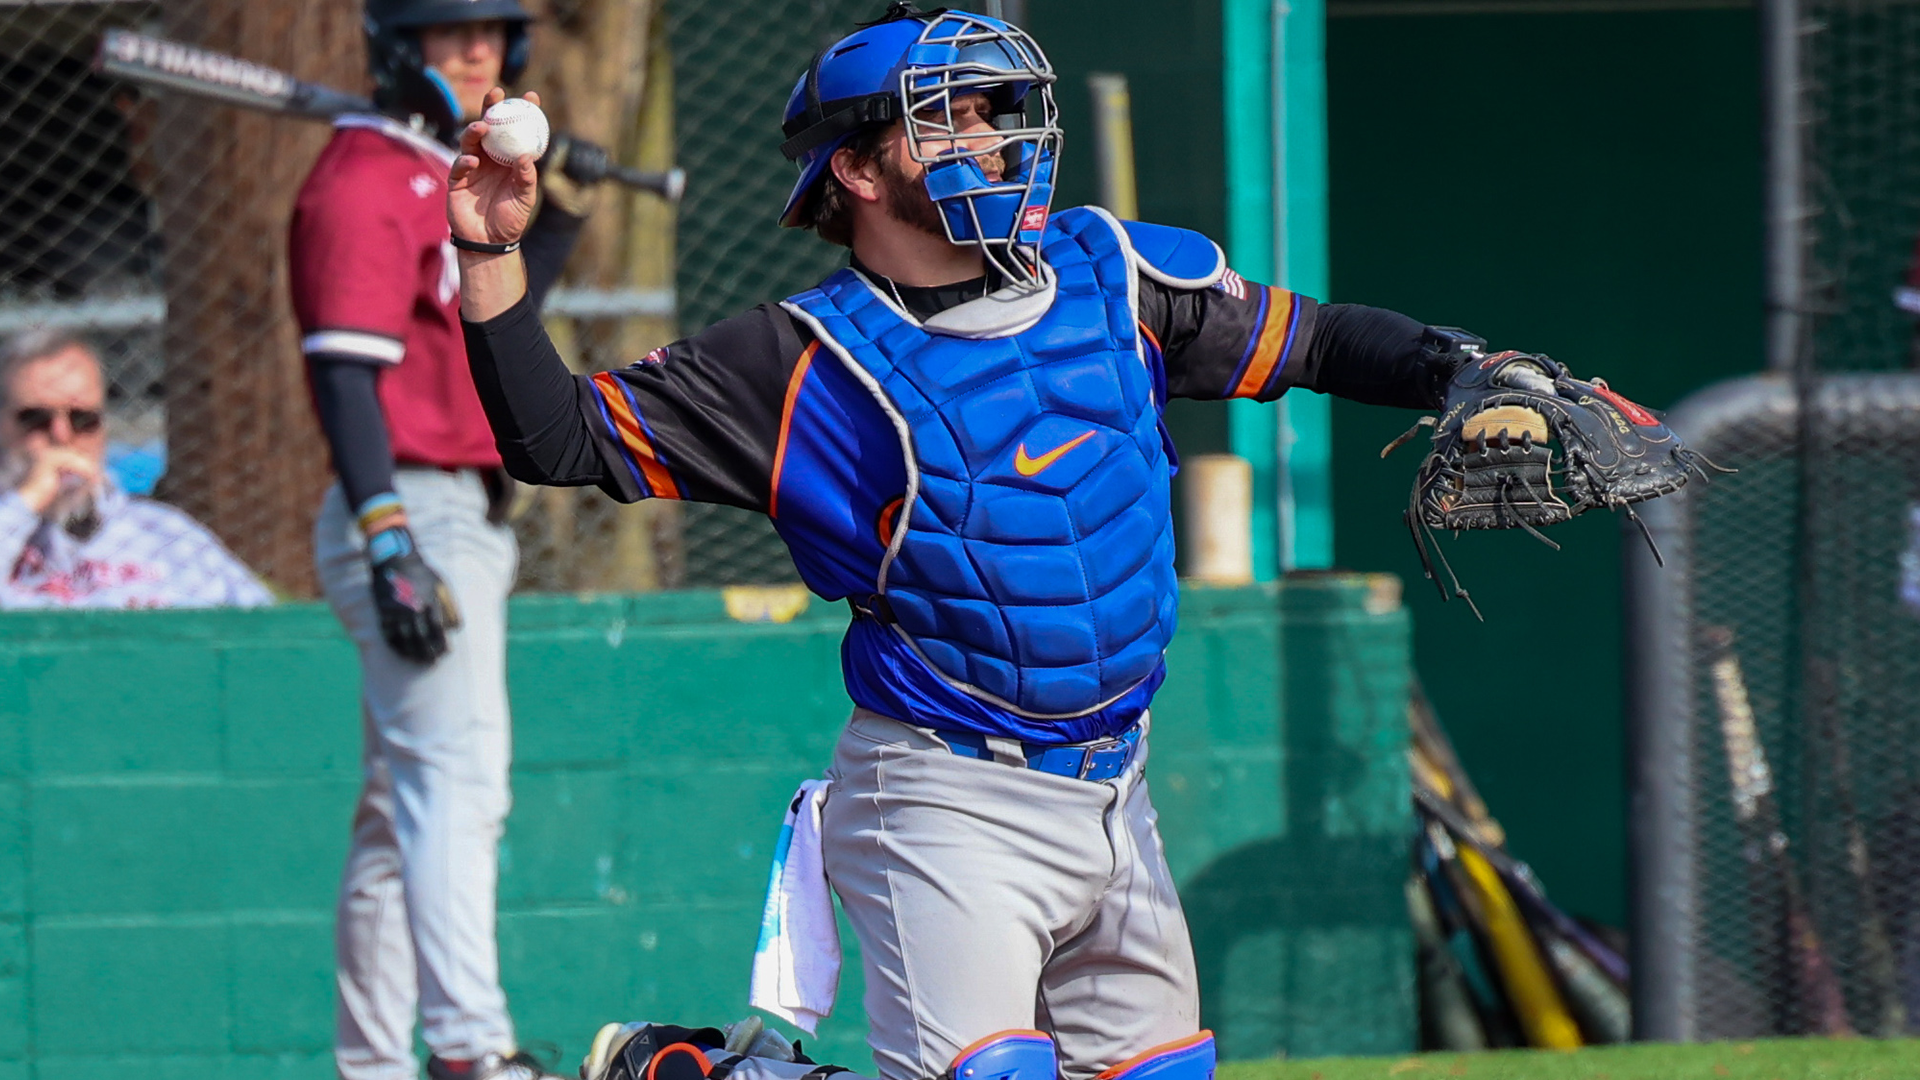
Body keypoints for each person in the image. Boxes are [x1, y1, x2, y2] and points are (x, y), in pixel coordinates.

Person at [450, 6, 1658, 1080]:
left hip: (1113, 787)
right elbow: (559, 439)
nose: (994, 138)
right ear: (860, 170)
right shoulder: (796, 361)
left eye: (997, 110)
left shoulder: (1111, 274)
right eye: (949, 119)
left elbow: (1318, 340)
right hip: (944, 793)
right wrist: (492, 250)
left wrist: (1461, 367)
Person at [287, 3, 590, 1080]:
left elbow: (478, 335)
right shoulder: (365, 174)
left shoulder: (434, 173)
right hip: (408, 508)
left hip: (456, 509)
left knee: (400, 814)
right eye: (445, 32)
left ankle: (373, 1062)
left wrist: (550, 225)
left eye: (488, 34)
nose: (474, 52)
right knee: (460, 785)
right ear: (397, 49)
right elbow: (343, 370)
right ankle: (472, 1050)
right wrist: (387, 537)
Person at [0, 329, 270, 608]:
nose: (62, 435)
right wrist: (26, 502)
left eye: (83, 419)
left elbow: (264, 629)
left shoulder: (165, 534)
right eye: (35, 419)